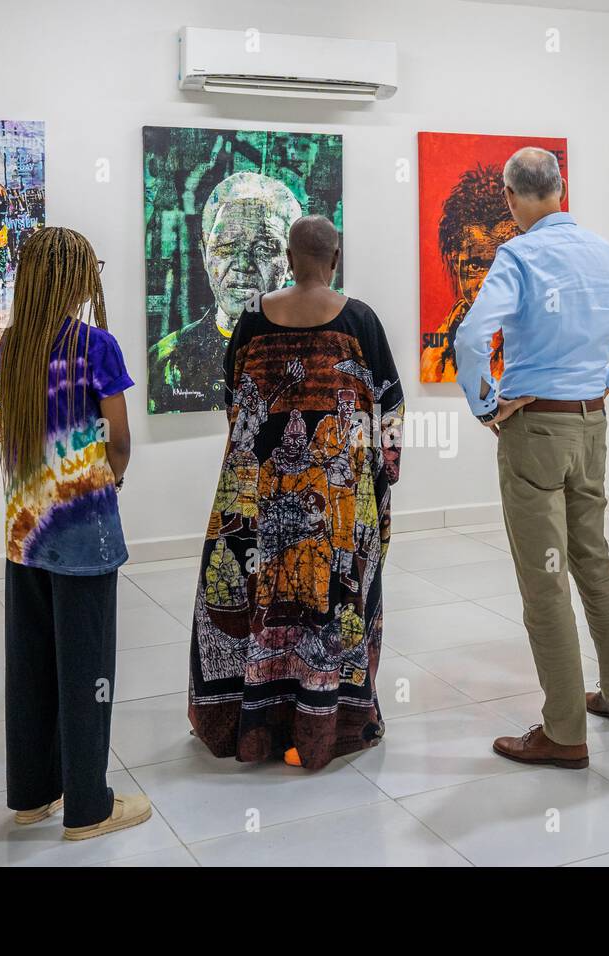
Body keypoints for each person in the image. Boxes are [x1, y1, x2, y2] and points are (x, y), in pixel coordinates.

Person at [453, 147, 609, 769]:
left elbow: (472, 336)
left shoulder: (519, 255)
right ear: (560, 188)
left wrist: (483, 405)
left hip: (535, 429)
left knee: (544, 578)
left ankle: (564, 732)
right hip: (591, 425)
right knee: (594, 561)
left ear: (511, 196)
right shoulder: (604, 252)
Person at [189, 214, 404, 770]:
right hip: (335, 510)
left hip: (258, 504)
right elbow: (391, 411)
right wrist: (379, 484)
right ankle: (329, 720)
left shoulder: (253, 321)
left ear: (288, 258)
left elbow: (235, 406)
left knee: (254, 597)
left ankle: (257, 723)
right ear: (335, 259)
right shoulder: (360, 321)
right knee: (334, 607)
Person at [0, 226, 149, 840]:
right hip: (82, 528)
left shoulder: (12, 345)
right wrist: (115, 474)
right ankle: (89, 806)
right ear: (74, 278)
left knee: (29, 661)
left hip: (24, 528)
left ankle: (32, 795)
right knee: (88, 665)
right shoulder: (96, 346)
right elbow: (118, 436)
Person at [148, 171, 304, 411]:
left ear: (291, 262)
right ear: (204, 254)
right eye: (227, 246)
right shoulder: (163, 360)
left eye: (263, 248)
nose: (243, 265)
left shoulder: (311, 354)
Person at [420, 164, 519, 382]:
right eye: (475, 265)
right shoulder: (437, 356)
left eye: (500, 264)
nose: (487, 281)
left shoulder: (540, 335)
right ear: (456, 262)